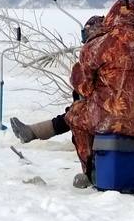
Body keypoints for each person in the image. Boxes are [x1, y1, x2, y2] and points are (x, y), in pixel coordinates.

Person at [66, 0, 134, 189]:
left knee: (75, 115)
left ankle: (92, 169)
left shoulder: (96, 47)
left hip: (106, 119)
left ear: (110, 18)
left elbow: (83, 87)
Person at [10, 15, 106, 145]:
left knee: (78, 111)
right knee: (77, 110)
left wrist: (78, 70)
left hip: (108, 113)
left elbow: (83, 86)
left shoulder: (97, 55)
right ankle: (33, 132)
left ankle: (34, 132)